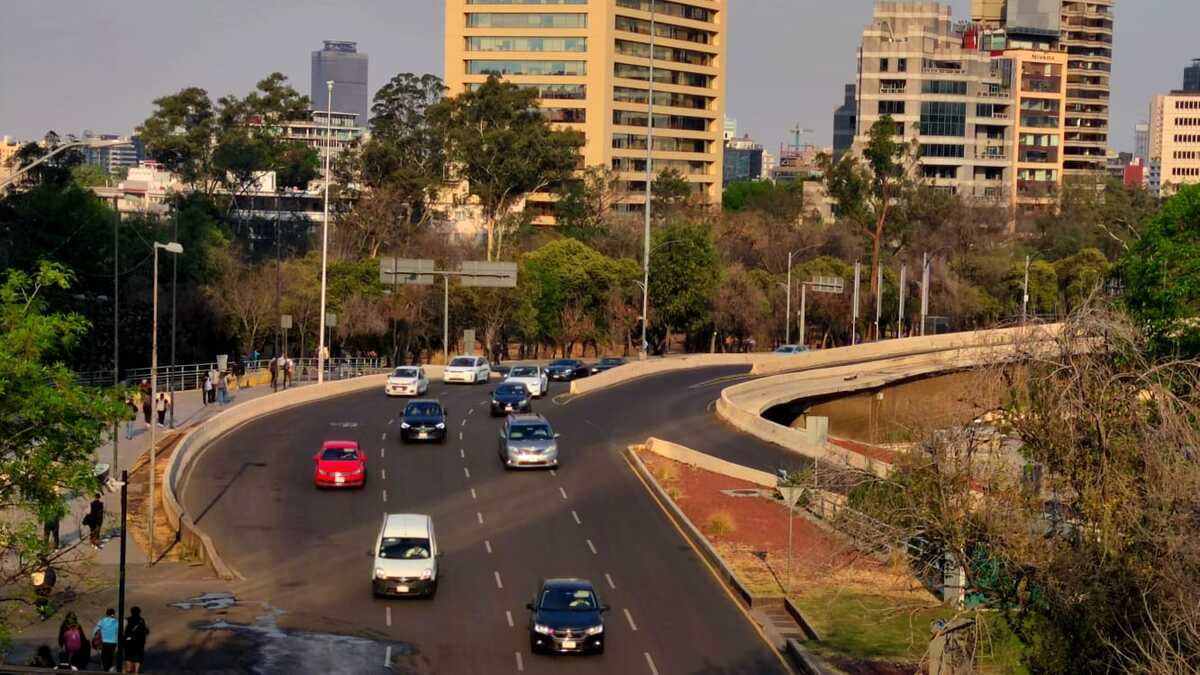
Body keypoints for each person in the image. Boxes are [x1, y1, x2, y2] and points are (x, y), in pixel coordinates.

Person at [123, 606, 149, 673]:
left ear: (131, 612)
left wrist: (124, 638)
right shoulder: (142, 620)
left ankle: (129, 669)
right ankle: (136, 672)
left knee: (128, 656)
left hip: (129, 641)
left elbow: (122, 630)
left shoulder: (127, 619)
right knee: (138, 657)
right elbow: (147, 631)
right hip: (140, 641)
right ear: (139, 612)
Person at [94, 608, 119, 672]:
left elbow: (95, 630)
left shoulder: (102, 621)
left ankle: (105, 668)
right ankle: (109, 667)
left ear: (107, 613)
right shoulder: (116, 622)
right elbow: (118, 631)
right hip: (113, 641)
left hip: (103, 641)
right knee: (110, 655)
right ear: (113, 614)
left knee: (104, 655)